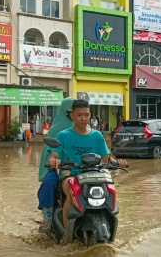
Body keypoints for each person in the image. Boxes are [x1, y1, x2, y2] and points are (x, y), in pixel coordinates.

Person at [46, 99, 127, 237]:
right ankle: (67, 235)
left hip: (94, 175)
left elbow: (106, 158)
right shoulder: (63, 135)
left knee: (109, 189)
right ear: (72, 116)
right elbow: (53, 155)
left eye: (86, 115)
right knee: (73, 191)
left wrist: (118, 163)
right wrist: (54, 161)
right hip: (70, 175)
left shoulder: (97, 136)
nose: (83, 118)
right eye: (79, 115)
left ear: (90, 115)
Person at [37, 98, 75, 229]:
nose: (74, 116)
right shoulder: (57, 131)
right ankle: (47, 217)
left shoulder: (90, 132)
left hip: (83, 169)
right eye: (71, 112)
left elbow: (101, 154)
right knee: (49, 183)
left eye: (82, 114)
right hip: (60, 169)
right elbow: (51, 153)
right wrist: (53, 160)